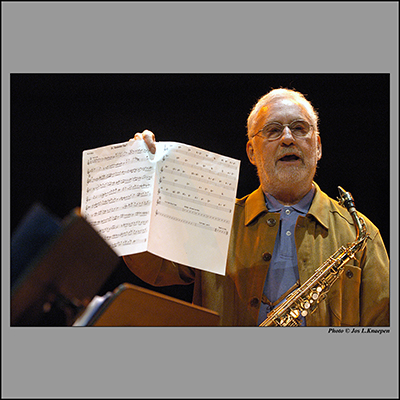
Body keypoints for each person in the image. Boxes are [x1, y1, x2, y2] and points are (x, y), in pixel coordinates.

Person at [123, 88, 390, 327]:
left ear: (317, 147)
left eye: (299, 128)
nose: (288, 138)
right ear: (252, 152)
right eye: (273, 130)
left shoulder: (361, 233)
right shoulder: (215, 219)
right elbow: (152, 266)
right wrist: (139, 181)